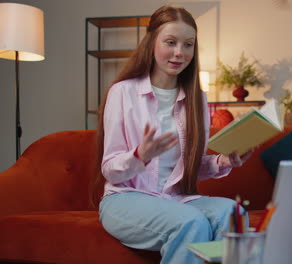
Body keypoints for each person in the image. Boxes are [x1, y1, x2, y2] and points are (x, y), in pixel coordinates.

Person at [95, 5, 254, 264]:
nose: (180, 52)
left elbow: (189, 166)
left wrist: (223, 162)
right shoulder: (122, 93)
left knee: (232, 213)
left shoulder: (197, 100)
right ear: (152, 43)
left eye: (188, 44)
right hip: (124, 200)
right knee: (191, 222)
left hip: (176, 199)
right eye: (171, 42)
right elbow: (110, 170)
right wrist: (140, 155)